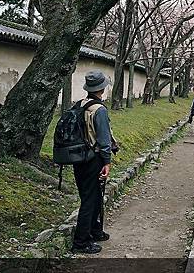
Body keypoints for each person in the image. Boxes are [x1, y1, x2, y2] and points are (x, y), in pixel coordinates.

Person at [71, 71, 113, 254]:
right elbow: (104, 140)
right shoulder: (99, 110)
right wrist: (107, 162)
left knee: (91, 196)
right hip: (94, 159)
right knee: (90, 199)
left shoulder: (80, 104)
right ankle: (81, 242)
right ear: (102, 89)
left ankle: (95, 231)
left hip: (79, 157)